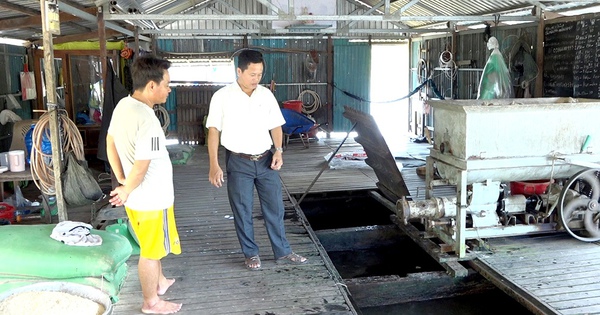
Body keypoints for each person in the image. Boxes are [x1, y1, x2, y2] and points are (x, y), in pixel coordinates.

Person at [206, 49, 308, 270]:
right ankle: (250, 253)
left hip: (265, 160)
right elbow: (213, 131)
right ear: (239, 71)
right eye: (252, 74)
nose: (256, 79)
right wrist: (214, 165)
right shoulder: (222, 97)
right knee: (242, 209)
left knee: (275, 207)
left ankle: (282, 251)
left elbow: (276, 125)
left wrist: (279, 150)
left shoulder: (265, 95)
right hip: (238, 161)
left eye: (260, 74)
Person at [106, 55, 182, 314]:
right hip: (151, 198)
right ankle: (151, 301)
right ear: (152, 86)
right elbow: (143, 163)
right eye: (167, 84)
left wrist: (122, 181)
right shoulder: (148, 120)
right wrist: (126, 187)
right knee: (150, 250)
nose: (169, 89)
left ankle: (159, 282)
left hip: (137, 196)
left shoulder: (123, 106)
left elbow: (110, 142)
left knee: (154, 244)